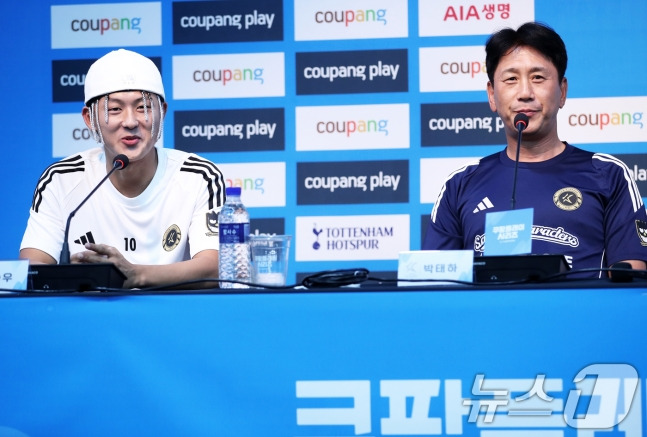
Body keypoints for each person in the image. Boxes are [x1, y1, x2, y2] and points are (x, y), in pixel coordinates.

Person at [422, 22, 647, 276]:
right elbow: (433, 282)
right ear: (492, 95)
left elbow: (629, 277)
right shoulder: (460, 185)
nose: (525, 93)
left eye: (538, 78)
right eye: (511, 79)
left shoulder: (608, 174)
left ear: (562, 92)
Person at [20, 49, 226, 288]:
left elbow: (216, 266)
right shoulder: (60, 179)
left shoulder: (199, 176)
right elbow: (31, 270)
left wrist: (134, 275)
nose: (130, 122)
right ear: (89, 119)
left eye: (143, 108)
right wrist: (72, 275)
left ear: (162, 112)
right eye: (115, 109)